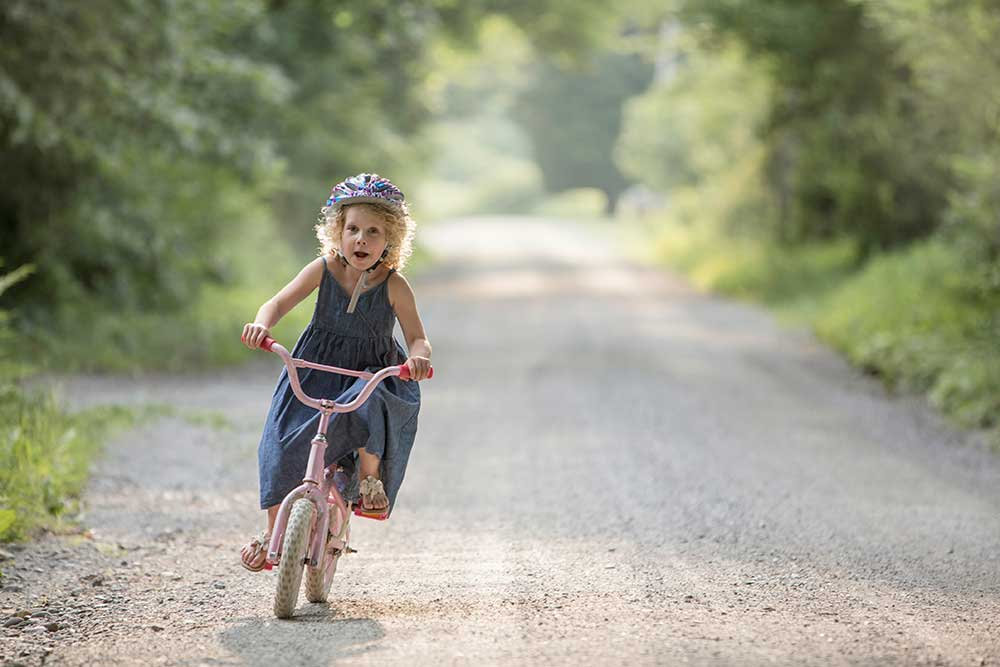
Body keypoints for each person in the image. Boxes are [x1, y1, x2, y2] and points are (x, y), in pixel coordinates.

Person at [239, 173, 432, 572]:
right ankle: (274, 534)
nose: (361, 239)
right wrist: (262, 324)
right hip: (315, 369)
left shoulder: (395, 286)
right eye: (353, 229)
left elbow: (418, 339)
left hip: (369, 372)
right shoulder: (323, 270)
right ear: (337, 232)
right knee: (280, 443)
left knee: (371, 403)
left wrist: (418, 358)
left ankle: (368, 478)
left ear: (390, 240)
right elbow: (276, 303)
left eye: (373, 232)